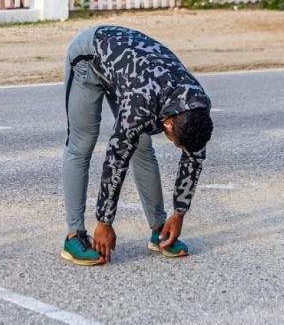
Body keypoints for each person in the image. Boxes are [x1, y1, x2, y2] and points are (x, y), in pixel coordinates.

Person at [61, 26, 213, 265]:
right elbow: (116, 159)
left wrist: (179, 214)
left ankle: (159, 228)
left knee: (142, 145)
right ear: (169, 125)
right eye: (175, 143)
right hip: (90, 55)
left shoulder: (197, 106)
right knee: (83, 142)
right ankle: (74, 236)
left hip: (129, 70)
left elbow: (194, 158)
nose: (176, 146)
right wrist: (104, 222)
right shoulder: (140, 106)